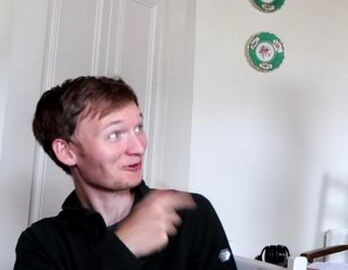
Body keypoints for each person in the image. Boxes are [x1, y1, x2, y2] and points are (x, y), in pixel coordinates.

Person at [14, 76, 237, 269]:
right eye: (115, 134)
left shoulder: (191, 214)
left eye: (138, 128)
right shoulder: (42, 243)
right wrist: (123, 249)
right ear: (67, 151)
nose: (139, 147)